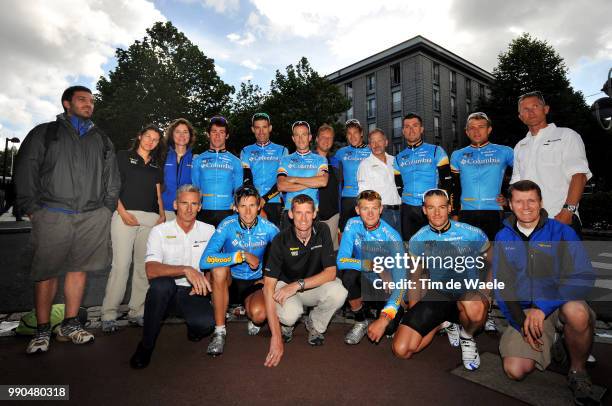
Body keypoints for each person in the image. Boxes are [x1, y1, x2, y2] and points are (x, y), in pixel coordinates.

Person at [15, 85, 120, 354]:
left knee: (79, 269)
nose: (88, 105)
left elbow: (112, 177)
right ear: (66, 103)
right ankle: (41, 330)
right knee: (46, 272)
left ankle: (70, 325)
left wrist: (106, 208)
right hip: (52, 213)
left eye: (92, 101)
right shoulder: (45, 132)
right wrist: (31, 207)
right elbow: (27, 166)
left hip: (91, 216)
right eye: (82, 100)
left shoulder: (101, 138)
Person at [494, 180, 600, 404]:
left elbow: (583, 276)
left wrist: (542, 308)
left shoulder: (562, 232)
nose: (526, 207)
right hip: (525, 311)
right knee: (515, 370)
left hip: (557, 305)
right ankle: (557, 342)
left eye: (531, 200)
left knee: (577, 312)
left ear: (541, 202)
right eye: (519, 202)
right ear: (510, 205)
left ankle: (577, 372)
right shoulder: (503, 237)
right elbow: (503, 286)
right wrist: (520, 322)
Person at [368, 189, 490, 371]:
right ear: (424, 210)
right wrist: (414, 311)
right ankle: (444, 323)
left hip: (466, 293)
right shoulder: (419, 238)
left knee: (475, 306)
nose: (437, 213)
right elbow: (415, 278)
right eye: (431, 208)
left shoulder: (472, 233)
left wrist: (486, 293)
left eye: (442, 207)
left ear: (449, 208)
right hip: (438, 295)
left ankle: (467, 336)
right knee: (401, 350)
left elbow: (494, 262)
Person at [129, 184, 215, 369]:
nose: (189, 209)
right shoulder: (160, 231)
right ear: (175, 204)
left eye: (194, 204)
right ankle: (146, 346)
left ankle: (194, 327)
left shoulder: (209, 231)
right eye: (184, 203)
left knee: (206, 325)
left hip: (193, 292)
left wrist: (209, 282)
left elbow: (215, 266)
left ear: (200, 207)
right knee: (161, 285)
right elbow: (151, 270)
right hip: (165, 293)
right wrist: (185, 269)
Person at [263, 194, 348, 367]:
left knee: (339, 292)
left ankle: (315, 324)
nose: (303, 218)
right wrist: (276, 338)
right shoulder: (280, 239)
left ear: (315, 214)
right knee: (289, 316)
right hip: (285, 287)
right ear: (291, 214)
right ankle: (286, 325)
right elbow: (268, 286)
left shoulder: (323, 230)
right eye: (299, 213)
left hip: (308, 286)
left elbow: (331, 273)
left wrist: (298, 285)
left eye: (308, 213)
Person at [450, 112, 513, 332]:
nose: (476, 131)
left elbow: (523, 176)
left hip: (493, 214)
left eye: (481, 126)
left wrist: (509, 198)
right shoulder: (458, 155)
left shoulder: (505, 152)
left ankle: (486, 309)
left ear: (489, 129)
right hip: (466, 215)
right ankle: (465, 309)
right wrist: (455, 213)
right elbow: (454, 187)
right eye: (472, 127)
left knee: (491, 264)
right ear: (466, 131)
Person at [199, 186, 279, 356]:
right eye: (243, 206)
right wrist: (241, 256)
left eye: (252, 205)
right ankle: (220, 332)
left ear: (259, 206)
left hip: (253, 282)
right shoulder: (227, 224)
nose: (248, 212)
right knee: (218, 270)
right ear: (235, 207)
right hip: (230, 281)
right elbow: (205, 260)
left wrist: (270, 277)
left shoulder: (268, 227)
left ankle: (244, 310)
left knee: (259, 316)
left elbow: (285, 254)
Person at [101, 125, 166, 332]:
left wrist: (162, 215)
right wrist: (122, 212)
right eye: (148, 137)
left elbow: (157, 194)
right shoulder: (122, 156)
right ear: (139, 136)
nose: (150, 141)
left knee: (142, 267)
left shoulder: (156, 164)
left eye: (155, 139)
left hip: (150, 219)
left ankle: (137, 311)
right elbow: (112, 187)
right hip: (125, 216)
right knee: (121, 266)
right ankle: (109, 314)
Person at [511, 91, 592, 237]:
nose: (531, 112)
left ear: (546, 109)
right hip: (527, 224)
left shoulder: (566, 135)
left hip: (559, 219)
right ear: (520, 116)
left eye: (535, 106)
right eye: (525, 109)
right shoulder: (520, 146)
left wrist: (568, 212)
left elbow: (579, 176)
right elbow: (517, 186)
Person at [337, 190, 404, 345]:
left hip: (386, 286)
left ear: (381, 209)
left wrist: (385, 317)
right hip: (364, 278)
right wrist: (375, 266)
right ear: (357, 210)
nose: (370, 213)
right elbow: (341, 261)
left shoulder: (392, 236)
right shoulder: (352, 224)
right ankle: (361, 321)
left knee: (389, 327)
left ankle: (390, 315)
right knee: (348, 276)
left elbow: (400, 283)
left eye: (374, 208)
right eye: (365, 208)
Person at [394, 113, 451, 241]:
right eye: (407, 127)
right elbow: (398, 185)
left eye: (415, 125)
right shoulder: (398, 158)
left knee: (432, 247)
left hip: (431, 206)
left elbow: (447, 182)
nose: (411, 129)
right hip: (408, 209)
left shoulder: (436, 150)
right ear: (403, 131)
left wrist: (445, 207)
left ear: (421, 129)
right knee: (409, 247)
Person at [192, 115, 243, 227]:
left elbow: (238, 190)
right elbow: (195, 188)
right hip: (203, 212)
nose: (217, 136)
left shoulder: (236, 161)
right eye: (214, 131)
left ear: (227, 135)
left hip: (227, 213)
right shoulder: (198, 160)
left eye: (221, 132)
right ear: (208, 134)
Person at [277, 121, 328, 230]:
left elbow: (323, 182)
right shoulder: (285, 160)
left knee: (312, 247)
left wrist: (294, 179)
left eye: (304, 134)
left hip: (312, 213)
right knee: (288, 247)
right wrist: (313, 181)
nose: (300, 139)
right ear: (293, 138)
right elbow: (281, 186)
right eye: (297, 135)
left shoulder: (320, 159)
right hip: (290, 213)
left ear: (310, 137)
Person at [241, 112, 288, 227]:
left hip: (274, 202)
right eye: (257, 128)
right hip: (251, 203)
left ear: (270, 128)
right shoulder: (246, 151)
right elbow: (247, 179)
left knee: (274, 241)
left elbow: (282, 181)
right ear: (253, 129)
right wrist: (256, 201)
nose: (261, 131)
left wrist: (264, 199)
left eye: (264, 127)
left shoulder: (282, 150)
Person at [357, 128, 402, 233]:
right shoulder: (365, 165)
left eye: (379, 140)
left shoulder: (395, 161)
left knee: (399, 246)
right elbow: (363, 194)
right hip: (380, 213)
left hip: (400, 211)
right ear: (369, 146)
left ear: (386, 142)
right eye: (372, 142)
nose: (376, 144)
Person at [335, 119, 371, 232]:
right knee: (347, 232)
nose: (352, 136)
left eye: (355, 132)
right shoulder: (341, 152)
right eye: (349, 133)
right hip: (347, 198)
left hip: (366, 197)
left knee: (366, 231)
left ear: (361, 133)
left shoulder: (371, 150)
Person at [161, 118, 196, 221]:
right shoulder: (162, 157)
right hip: (164, 210)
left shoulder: (196, 159)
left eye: (185, 132)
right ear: (172, 135)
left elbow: (199, 187)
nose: (182, 135)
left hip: (187, 211)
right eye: (178, 132)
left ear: (190, 135)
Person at [314, 124, 341, 249]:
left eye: (330, 138)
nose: (326, 140)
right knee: (314, 254)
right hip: (313, 215)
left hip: (333, 217)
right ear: (316, 139)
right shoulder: (309, 161)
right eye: (323, 137)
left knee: (331, 253)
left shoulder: (336, 162)